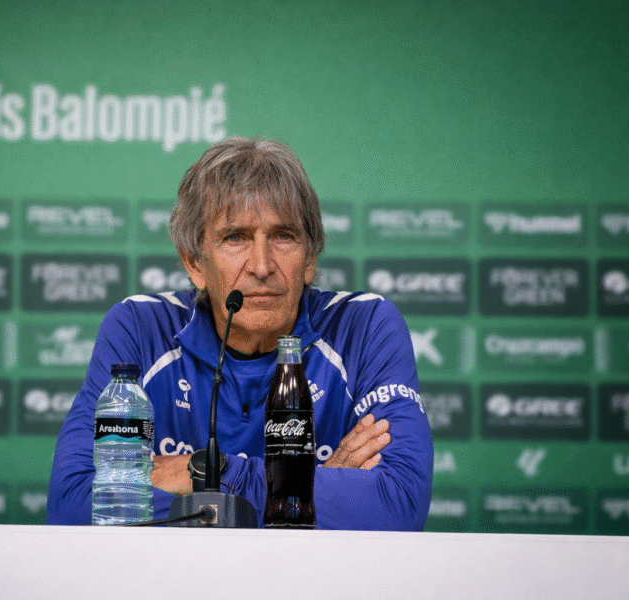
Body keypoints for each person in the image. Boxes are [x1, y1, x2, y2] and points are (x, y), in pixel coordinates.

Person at [47, 137, 433, 530]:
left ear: (309, 258)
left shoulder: (365, 327)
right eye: (235, 238)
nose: (262, 266)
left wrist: (210, 473)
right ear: (195, 263)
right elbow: (74, 505)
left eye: (283, 236)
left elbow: (398, 505)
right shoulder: (140, 329)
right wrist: (298, 495)